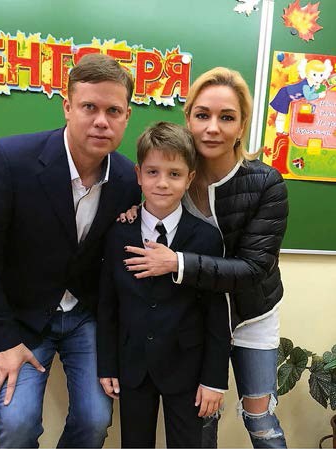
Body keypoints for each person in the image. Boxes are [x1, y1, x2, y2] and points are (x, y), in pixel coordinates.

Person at [0, 53, 141, 448]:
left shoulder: (131, 179)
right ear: (67, 106)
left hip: (85, 317)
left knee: (95, 421)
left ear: (127, 116)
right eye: (89, 107)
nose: (101, 121)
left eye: (113, 110)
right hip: (21, 319)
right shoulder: (9, 159)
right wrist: (2, 342)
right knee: (18, 424)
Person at [121, 67, 289, 448]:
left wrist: (177, 263)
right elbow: (151, 202)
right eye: (202, 115)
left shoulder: (266, 183)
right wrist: (135, 211)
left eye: (226, 117)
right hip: (197, 317)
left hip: (251, 314)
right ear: (189, 119)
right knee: (201, 420)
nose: (212, 128)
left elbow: (254, 267)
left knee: (260, 419)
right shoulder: (175, 175)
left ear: (242, 125)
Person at [97, 121, 231, 448]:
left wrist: (214, 380)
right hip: (133, 367)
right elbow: (108, 305)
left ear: (190, 178)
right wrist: (107, 364)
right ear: (139, 174)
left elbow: (216, 313)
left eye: (174, 174)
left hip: (187, 369)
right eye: (153, 172)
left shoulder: (206, 238)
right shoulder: (117, 233)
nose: (162, 183)